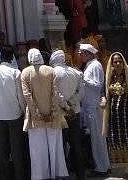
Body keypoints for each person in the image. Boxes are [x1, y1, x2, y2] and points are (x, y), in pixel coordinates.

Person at [20, 48, 67, 180]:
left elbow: (27, 96)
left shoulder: (25, 72)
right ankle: (58, 174)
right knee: (55, 146)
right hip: (53, 116)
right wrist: (51, 112)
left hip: (35, 119)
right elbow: (55, 94)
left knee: (37, 149)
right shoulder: (51, 71)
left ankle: (40, 176)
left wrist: (38, 114)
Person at [0, 46, 28, 180]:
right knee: (16, 148)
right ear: (11, 58)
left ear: (1, 57)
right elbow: (20, 96)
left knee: (2, 149)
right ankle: (19, 176)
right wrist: (24, 111)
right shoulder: (15, 73)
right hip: (14, 115)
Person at [50, 48, 86, 180]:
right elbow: (81, 93)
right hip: (74, 112)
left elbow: (55, 94)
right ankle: (80, 175)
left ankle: (63, 175)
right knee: (76, 144)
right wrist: (71, 104)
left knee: (61, 145)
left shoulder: (53, 73)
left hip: (61, 114)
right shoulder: (76, 72)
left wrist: (65, 105)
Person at [101, 52, 128, 176]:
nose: (117, 64)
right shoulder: (108, 78)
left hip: (126, 115)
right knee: (116, 140)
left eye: (119, 61)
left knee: (127, 139)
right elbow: (104, 92)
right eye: (115, 62)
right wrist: (104, 99)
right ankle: (122, 166)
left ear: (123, 63)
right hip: (113, 116)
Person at [78, 43, 109, 176]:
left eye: (82, 53)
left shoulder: (95, 66)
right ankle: (103, 165)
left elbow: (97, 85)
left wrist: (82, 78)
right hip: (90, 106)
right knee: (96, 139)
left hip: (94, 106)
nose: (80, 56)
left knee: (97, 139)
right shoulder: (90, 66)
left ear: (87, 53)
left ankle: (101, 168)